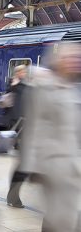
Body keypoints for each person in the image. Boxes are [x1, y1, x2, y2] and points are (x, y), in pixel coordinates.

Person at [19, 43, 81, 232]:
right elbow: (34, 127)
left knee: (67, 216)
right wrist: (32, 167)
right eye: (71, 58)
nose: (76, 62)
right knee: (60, 218)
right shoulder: (45, 87)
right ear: (60, 61)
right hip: (51, 166)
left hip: (72, 164)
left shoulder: (73, 89)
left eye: (78, 58)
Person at [6, 65, 29, 208]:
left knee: (23, 164)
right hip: (19, 128)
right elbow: (9, 108)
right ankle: (13, 197)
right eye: (22, 71)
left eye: (25, 71)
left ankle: (13, 196)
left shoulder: (26, 86)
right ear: (17, 73)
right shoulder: (13, 87)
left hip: (27, 128)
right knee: (23, 164)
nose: (24, 73)